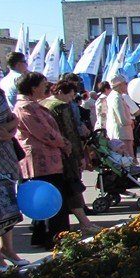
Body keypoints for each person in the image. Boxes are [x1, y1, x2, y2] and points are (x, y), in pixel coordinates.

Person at [13, 72, 71, 249]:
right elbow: (44, 133)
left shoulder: (33, 105)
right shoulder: (26, 108)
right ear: (33, 88)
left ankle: (44, 236)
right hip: (41, 162)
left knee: (47, 200)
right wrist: (64, 142)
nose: (47, 86)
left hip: (48, 160)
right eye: (44, 84)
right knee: (51, 201)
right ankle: (55, 239)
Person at [0, 53, 27, 271]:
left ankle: (8, 248)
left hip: (7, 147)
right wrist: (1, 136)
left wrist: (9, 132)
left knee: (9, 198)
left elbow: (13, 118)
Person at [41, 81, 100, 236]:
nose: (72, 99)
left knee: (57, 192)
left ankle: (45, 230)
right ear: (61, 92)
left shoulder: (43, 104)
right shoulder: (61, 107)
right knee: (72, 187)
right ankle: (84, 223)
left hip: (48, 155)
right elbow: (71, 133)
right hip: (66, 153)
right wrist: (79, 155)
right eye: (71, 95)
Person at [106, 75, 135, 157]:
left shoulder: (113, 96)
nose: (126, 85)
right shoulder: (116, 98)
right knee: (127, 160)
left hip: (120, 133)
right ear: (119, 85)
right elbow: (123, 120)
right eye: (125, 83)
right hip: (122, 134)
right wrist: (131, 121)